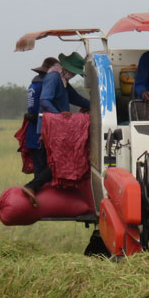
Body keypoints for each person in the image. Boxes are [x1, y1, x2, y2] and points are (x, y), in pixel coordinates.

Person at [22, 52, 90, 206]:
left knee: (55, 163)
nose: (73, 75)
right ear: (66, 68)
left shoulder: (63, 80)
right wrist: (59, 116)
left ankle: (39, 196)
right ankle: (32, 188)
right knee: (57, 163)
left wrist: (94, 105)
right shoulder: (53, 77)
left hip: (57, 131)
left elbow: (75, 98)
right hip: (48, 129)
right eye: (73, 72)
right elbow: (45, 100)